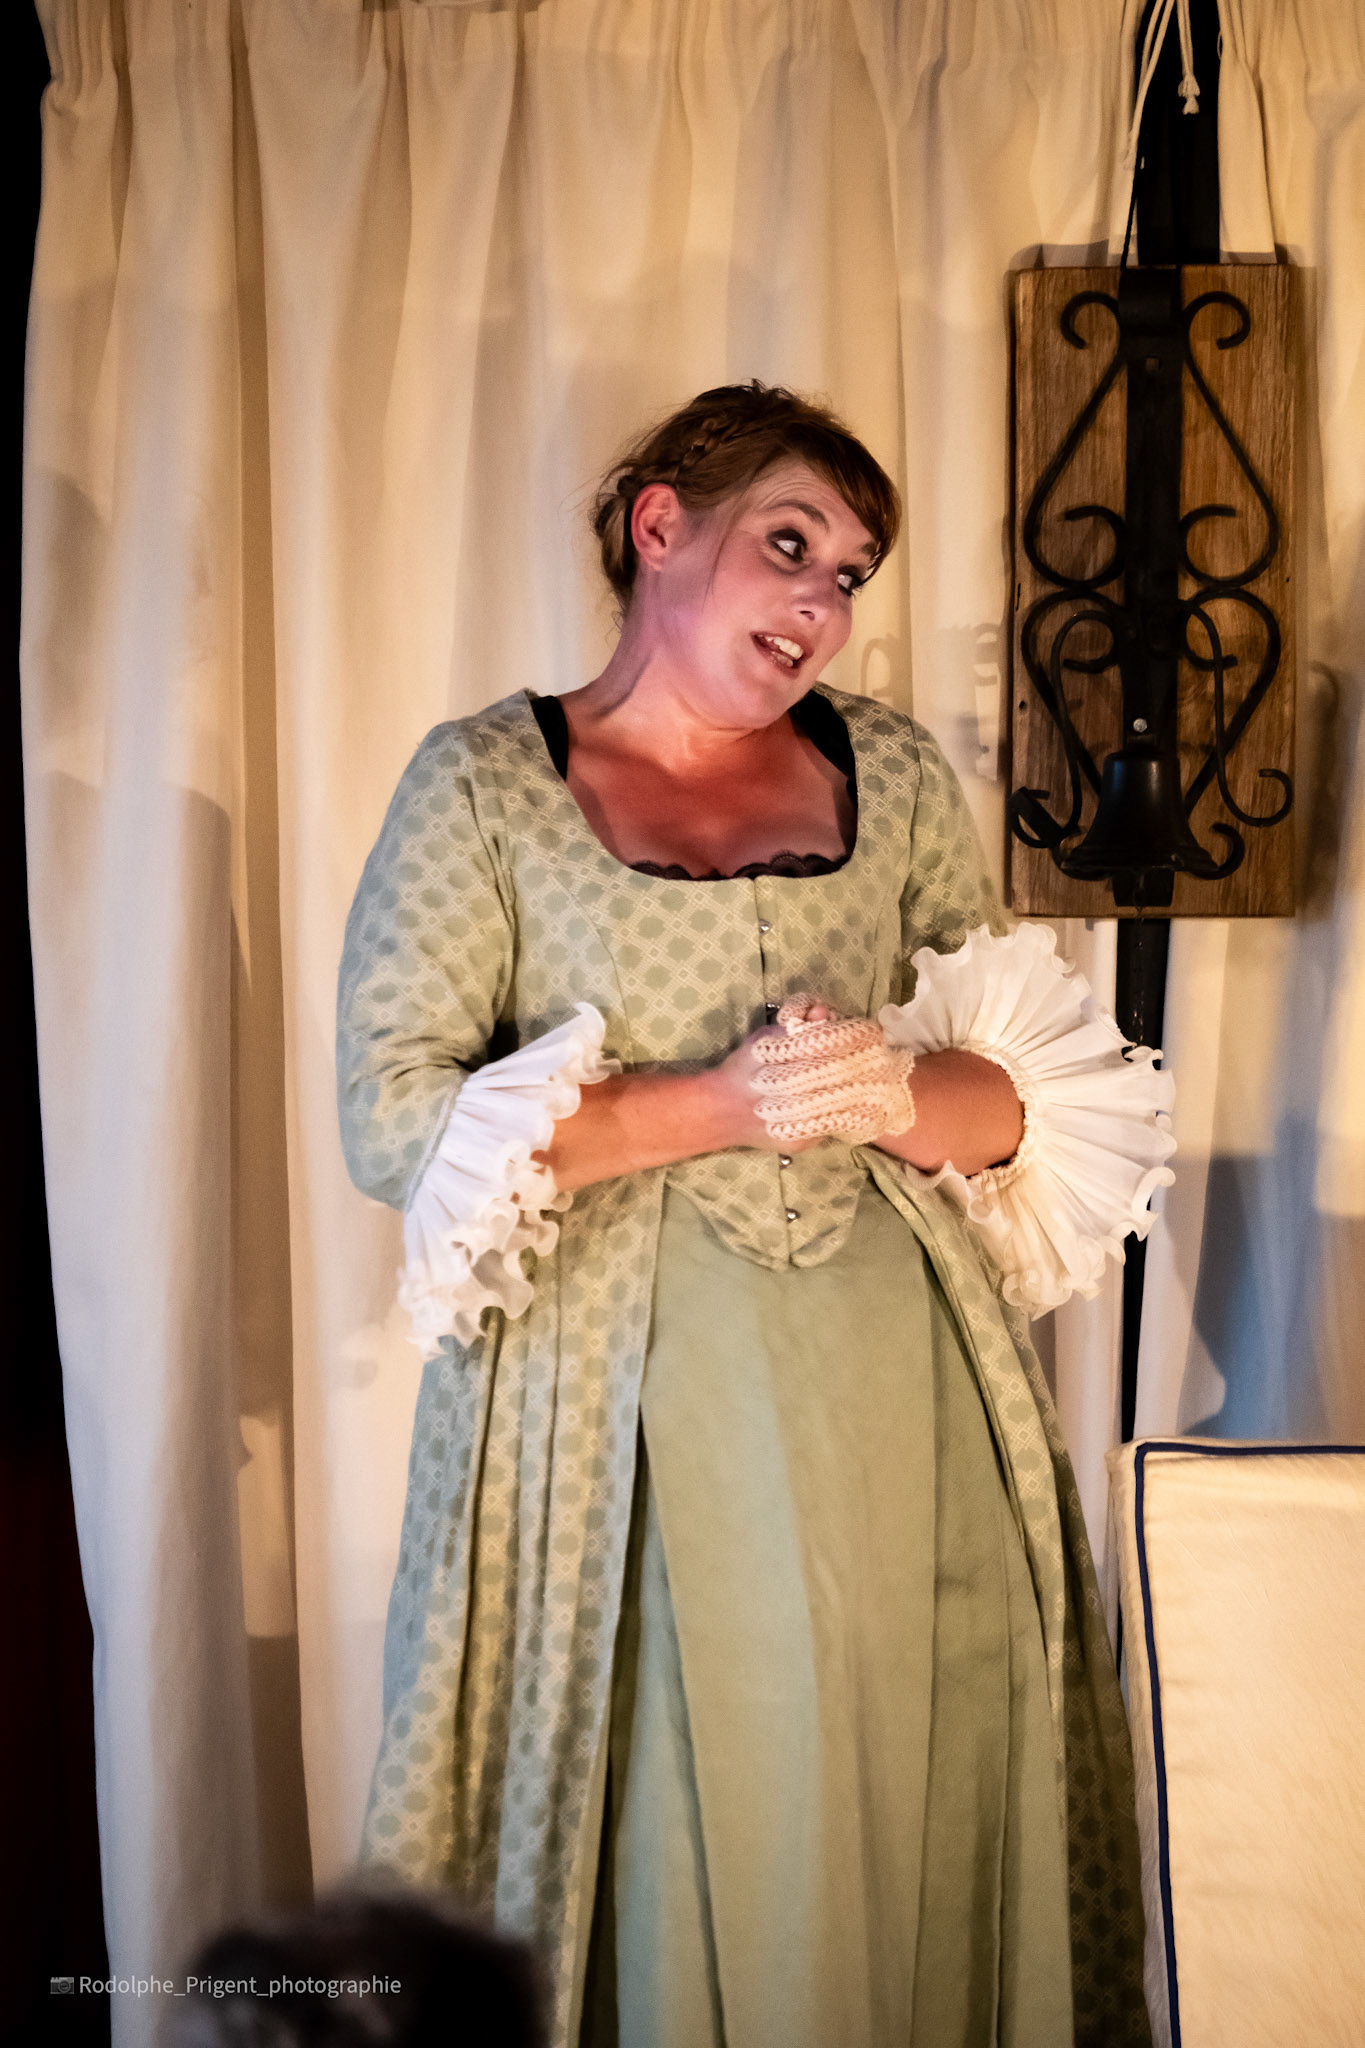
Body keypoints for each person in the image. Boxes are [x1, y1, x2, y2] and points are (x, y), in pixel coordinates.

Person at [336, 382, 1172, 2048]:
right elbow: (394, 1120)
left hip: (903, 1388)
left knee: (904, 1742)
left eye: (848, 574)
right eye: (789, 546)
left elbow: (1018, 1097)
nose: (820, 604)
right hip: (607, 1404)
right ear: (660, 527)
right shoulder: (486, 785)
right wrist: (722, 1103)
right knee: (670, 1781)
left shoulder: (895, 776)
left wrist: (880, 1089)